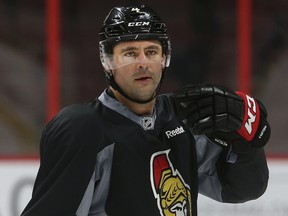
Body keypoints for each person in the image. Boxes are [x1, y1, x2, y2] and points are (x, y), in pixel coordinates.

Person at [21, 4, 271, 216]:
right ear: (107, 62)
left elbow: (242, 189)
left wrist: (246, 141)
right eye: (129, 53)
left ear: (165, 58)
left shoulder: (183, 116)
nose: (142, 63)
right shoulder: (84, 129)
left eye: (151, 51)